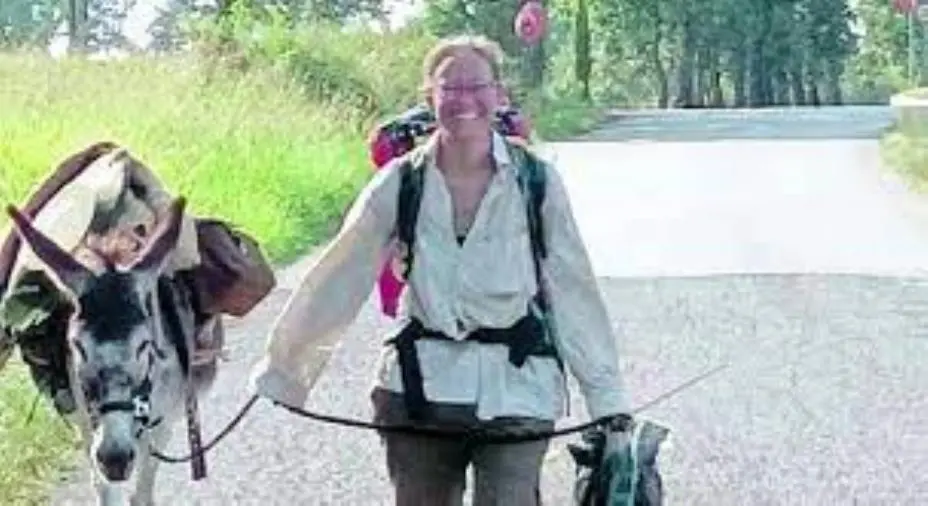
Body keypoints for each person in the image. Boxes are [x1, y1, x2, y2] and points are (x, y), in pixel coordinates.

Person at [248, 34, 631, 506]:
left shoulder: (536, 181)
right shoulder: (400, 181)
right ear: (429, 96)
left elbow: (572, 289)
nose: (464, 99)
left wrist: (608, 402)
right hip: (419, 393)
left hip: (518, 393)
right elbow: (338, 278)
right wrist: (284, 372)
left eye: (477, 86)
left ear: (499, 95)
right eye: (450, 87)